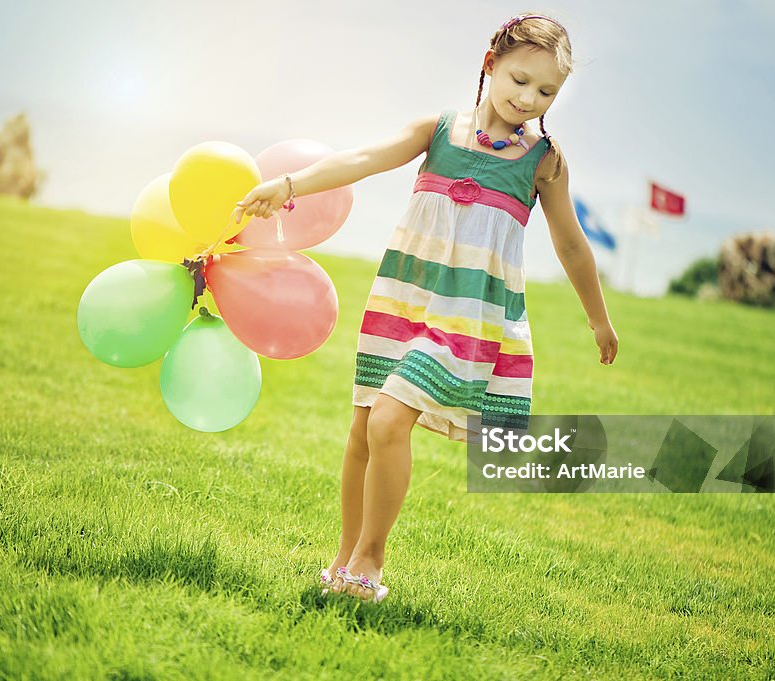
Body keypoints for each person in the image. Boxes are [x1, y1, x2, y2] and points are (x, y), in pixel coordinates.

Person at [232, 13, 618, 603]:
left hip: (469, 316)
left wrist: (597, 317)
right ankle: (341, 560)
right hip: (404, 298)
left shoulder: (543, 161)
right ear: (489, 64)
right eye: (520, 80)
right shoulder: (437, 131)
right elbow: (361, 159)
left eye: (546, 92)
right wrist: (288, 186)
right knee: (363, 430)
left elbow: (570, 242)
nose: (528, 98)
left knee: (390, 419)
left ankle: (370, 560)